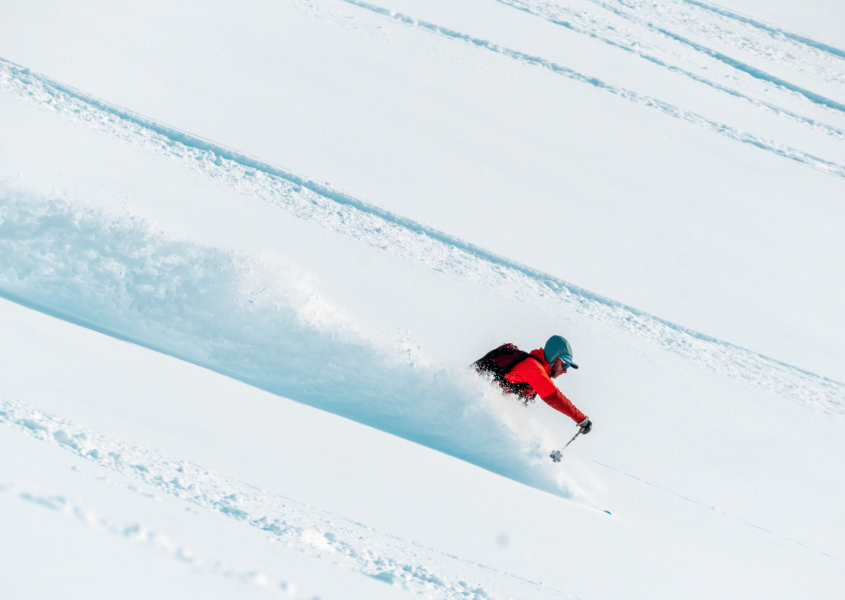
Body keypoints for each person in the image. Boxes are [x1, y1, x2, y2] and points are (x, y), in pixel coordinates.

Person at [474, 335, 592, 435]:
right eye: (565, 365)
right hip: (478, 403)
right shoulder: (532, 367)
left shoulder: (537, 370)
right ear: (554, 358)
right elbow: (553, 397)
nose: (565, 370)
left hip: (488, 410)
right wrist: (581, 419)